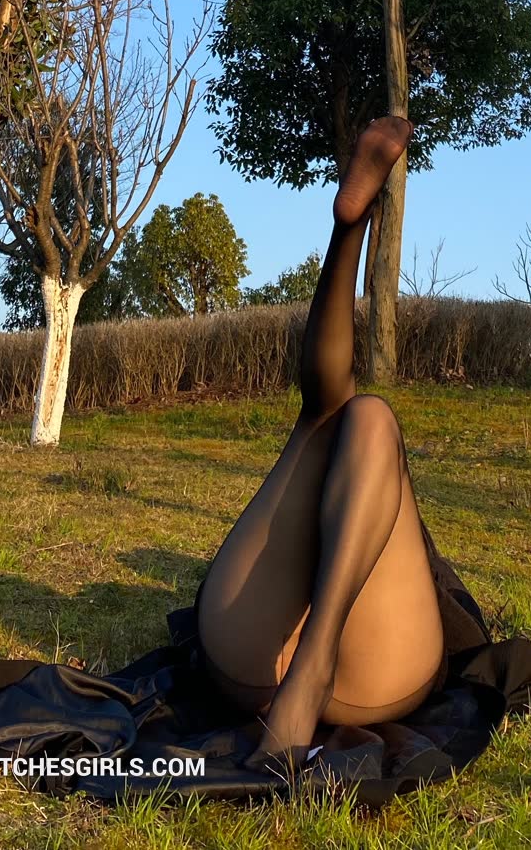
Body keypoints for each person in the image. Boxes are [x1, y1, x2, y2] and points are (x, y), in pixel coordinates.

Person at [194, 114, 449, 768]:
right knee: (372, 422)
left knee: (328, 414)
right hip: (378, 676)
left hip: (247, 653)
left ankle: (347, 231)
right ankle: (314, 669)